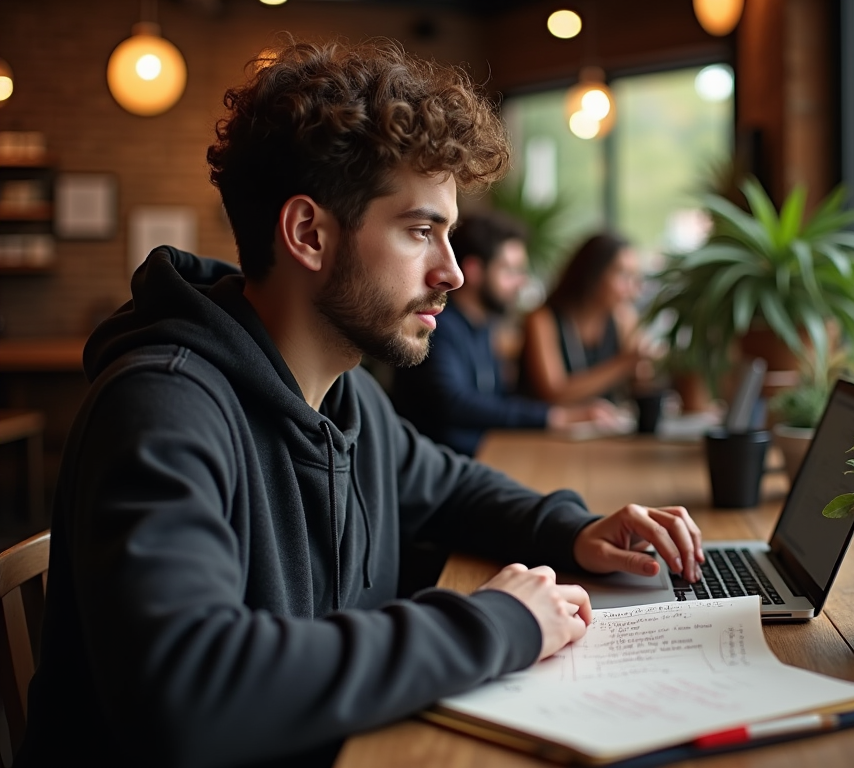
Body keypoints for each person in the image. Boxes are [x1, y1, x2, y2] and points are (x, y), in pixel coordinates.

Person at [17, 38, 703, 768]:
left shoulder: (345, 396)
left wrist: (574, 529)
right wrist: (494, 624)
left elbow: (451, 489)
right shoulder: (162, 407)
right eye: (420, 231)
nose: (451, 274)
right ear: (309, 233)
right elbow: (193, 691)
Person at [389, 211, 621, 456]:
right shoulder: (438, 325)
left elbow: (495, 399)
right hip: (439, 470)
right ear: (475, 270)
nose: (520, 282)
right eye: (510, 271)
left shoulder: (484, 326)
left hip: (481, 457)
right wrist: (553, 417)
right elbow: (453, 402)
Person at [518, 232, 657, 406]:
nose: (631, 287)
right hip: (541, 431)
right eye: (622, 275)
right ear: (592, 273)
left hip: (603, 427)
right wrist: (624, 363)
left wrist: (643, 366)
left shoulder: (623, 319)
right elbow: (553, 393)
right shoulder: (543, 319)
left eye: (634, 277)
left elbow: (641, 386)